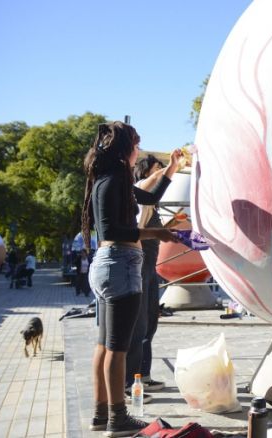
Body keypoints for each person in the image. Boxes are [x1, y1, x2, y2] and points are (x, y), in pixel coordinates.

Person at [81, 121, 181, 436]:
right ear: (126, 149)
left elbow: (148, 199)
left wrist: (172, 169)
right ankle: (117, 419)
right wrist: (157, 232)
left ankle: (100, 414)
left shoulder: (108, 179)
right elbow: (112, 232)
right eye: (136, 144)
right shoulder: (115, 181)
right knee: (117, 349)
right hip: (121, 266)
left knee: (104, 346)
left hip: (107, 267)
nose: (139, 150)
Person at [125, 154, 180, 398]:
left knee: (149, 321)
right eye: (158, 170)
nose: (164, 174)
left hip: (150, 267)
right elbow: (143, 185)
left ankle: (142, 376)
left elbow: (154, 230)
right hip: (140, 264)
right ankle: (131, 381)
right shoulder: (136, 191)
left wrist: (173, 223)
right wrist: (171, 167)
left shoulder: (150, 204)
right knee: (139, 324)